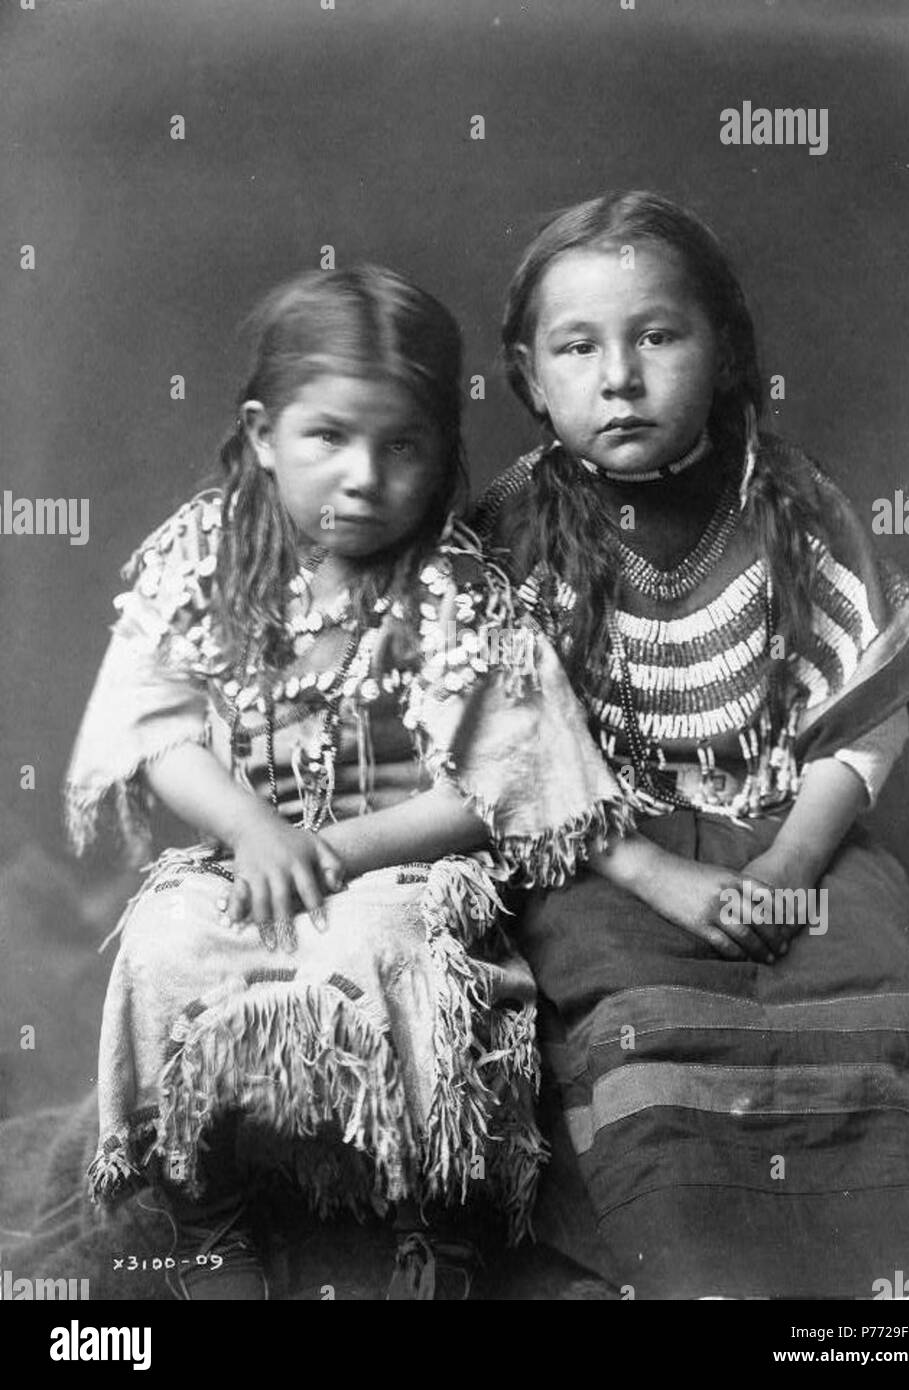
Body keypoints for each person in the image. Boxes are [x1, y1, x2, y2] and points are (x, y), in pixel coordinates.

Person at [64, 265, 639, 1300]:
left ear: (441, 452)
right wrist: (252, 828)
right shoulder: (205, 559)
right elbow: (157, 730)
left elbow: (497, 790)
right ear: (261, 434)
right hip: (245, 854)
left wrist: (338, 852)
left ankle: (437, 1210)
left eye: (402, 444)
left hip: (400, 864)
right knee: (167, 943)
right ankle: (207, 1208)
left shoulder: (453, 591)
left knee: (393, 951)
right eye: (329, 436)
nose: (366, 475)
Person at [473, 191, 909, 1299]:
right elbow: (511, 758)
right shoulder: (511, 535)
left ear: (725, 350)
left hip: (791, 826)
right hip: (605, 850)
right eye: (576, 347)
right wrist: (653, 872)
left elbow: (861, 711)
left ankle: (869, 1281)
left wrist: (788, 864)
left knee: (863, 973)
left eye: (657, 335)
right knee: (635, 1014)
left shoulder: (791, 503)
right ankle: (698, 1265)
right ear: (529, 375)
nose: (619, 377)